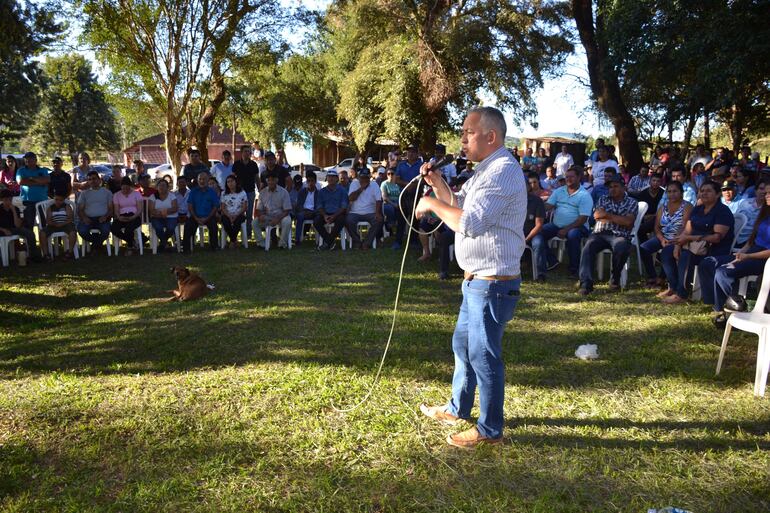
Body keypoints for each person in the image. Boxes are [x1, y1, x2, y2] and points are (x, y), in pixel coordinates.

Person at [416, 106, 525, 448]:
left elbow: (470, 223)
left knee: (483, 355)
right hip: (476, 281)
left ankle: (490, 430)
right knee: (463, 346)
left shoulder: (504, 170)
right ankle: (457, 407)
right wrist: (437, 185)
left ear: (490, 136)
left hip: (492, 284)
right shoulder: (485, 171)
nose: (462, 139)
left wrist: (431, 205)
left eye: (469, 133)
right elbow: (460, 205)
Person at [699, 189, 770, 328]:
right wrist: (740, 254)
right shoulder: (765, 214)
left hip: (763, 259)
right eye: (766, 192)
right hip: (751, 252)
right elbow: (751, 241)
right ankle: (716, 304)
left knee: (723, 272)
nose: (767, 195)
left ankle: (734, 309)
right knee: (708, 262)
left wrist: (747, 256)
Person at [662, 181, 734, 304]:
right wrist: (678, 245)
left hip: (714, 250)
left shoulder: (722, 211)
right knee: (667, 251)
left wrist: (691, 239)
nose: (704, 193)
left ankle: (682, 294)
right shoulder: (697, 209)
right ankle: (674, 287)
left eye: (708, 191)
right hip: (694, 246)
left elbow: (716, 238)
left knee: (686, 255)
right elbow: (687, 230)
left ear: (717, 195)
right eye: (702, 190)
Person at [577, 175, 638, 294]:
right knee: (588, 246)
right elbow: (597, 216)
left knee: (621, 247)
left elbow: (628, 222)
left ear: (624, 188)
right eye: (610, 187)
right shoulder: (603, 199)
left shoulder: (632, 202)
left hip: (620, 235)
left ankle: (615, 279)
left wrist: (608, 216)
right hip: (600, 233)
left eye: (616, 186)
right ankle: (586, 283)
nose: (612, 189)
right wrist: (619, 218)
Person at [541, 166, 593, 278]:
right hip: (557, 225)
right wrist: (536, 205)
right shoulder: (559, 191)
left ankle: (574, 269)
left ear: (579, 177)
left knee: (573, 235)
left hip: (578, 226)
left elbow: (583, 218)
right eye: (566, 177)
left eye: (571, 177)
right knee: (538, 232)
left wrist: (566, 229)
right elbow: (548, 206)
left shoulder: (584, 195)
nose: (568, 179)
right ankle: (552, 260)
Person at [640, 180, 692, 290]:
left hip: (679, 238)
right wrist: (661, 238)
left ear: (681, 192)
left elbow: (684, 227)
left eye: (675, 191)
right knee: (644, 248)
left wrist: (674, 240)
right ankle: (652, 276)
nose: (672, 194)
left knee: (666, 251)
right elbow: (657, 227)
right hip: (663, 237)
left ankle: (662, 278)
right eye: (669, 192)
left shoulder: (687, 206)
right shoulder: (663, 207)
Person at [346, 167, 383, 250]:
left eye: (366, 177)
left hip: (370, 212)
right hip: (355, 212)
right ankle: (357, 241)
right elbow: (350, 198)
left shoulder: (374, 184)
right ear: (359, 177)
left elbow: (378, 200)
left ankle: (367, 242)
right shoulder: (354, 183)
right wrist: (361, 188)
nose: (364, 179)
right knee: (348, 220)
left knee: (378, 220)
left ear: (369, 177)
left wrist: (377, 213)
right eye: (362, 177)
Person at [0, 189, 42, 262]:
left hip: (13, 229)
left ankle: (34, 255)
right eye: (6, 200)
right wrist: (4, 230)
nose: (8, 202)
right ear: (2, 200)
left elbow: (17, 225)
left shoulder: (15, 208)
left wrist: (13, 211)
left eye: (10, 199)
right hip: (2, 229)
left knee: (30, 233)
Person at [253, 173, 292, 248]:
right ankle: (261, 244)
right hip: (267, 217)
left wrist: (278, 219)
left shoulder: (284, 192)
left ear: (276, 180)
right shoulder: (262, 193)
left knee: (287, 221)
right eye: (269, 180)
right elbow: (259, 209)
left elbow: (287, 210)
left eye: (273, 180)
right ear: (266, 181)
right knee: (254, 222)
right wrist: (261, 215)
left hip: (281, 216)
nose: (271, 182)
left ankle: (282, 243)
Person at [183, 171, 219, 252]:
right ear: (197, 180)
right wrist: (196, 218)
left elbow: (215, 206)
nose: (202, 181)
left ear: (207, 180)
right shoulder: (193, 191)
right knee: (188, 226)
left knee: (214, 226)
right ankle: (186, 248)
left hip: (209, 216)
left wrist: (207, 218)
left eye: (204, 179)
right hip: (195, 216)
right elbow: (190, 206)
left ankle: (214, 247)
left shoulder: (211, 192)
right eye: (200, 179)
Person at [77, 171, 113, 251]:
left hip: (102, 218)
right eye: (89, 179)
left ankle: (95, 245)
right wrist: (84, 218)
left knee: (106, 231)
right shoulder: (84, 193)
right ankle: (97, 243)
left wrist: (105, 216)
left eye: (94, 178)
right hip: (88, 218)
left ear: (99, 180)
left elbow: (111, 209)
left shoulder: (107, 192)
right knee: (82, 231)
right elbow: (80, 209)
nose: (92, 181)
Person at [314, 170, 348, 250]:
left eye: (333, 176)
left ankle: (327, 243)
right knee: (316, 221)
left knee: (341, 220)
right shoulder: (322, 191)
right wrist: (325, 215)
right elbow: (319, 206)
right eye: (329, 176)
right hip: (325, 213)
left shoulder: (342, 191)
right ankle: (330, 242)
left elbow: (344, 207)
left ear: (337, 179)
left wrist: (334, 216)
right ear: (327, 178)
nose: (331, 178)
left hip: (338, 214)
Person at [16, 152, 50, 229]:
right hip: (27, 202)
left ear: (35, 160)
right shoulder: (21, 170)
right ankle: (30, 241)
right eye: (26, 160)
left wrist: (30, 179)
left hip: (42, 201)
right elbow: (21, 182)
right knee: (28, 224)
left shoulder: (43, 170)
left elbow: (47, 180)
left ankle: (44, 240)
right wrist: (39, 182)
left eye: (30, 159)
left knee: (44, 225)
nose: (28, 161)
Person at [111, 177, 144, 255]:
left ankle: (129, 247)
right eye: (123, 188)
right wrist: (119, 217)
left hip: (135, 216)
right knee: (114, 228)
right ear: (121, 187)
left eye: (127, 188)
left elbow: (140, 209)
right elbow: (116, 209)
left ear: (130, 186)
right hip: (122, 215)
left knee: (129, 229)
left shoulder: (136, 194)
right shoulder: (117, 195)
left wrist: (133, 217)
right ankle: (132, 241)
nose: (125, 190)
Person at [40, 192, 77, 260]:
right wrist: (54, 224)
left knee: (72, 232)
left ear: (63, 200)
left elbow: (71, 218)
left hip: (66, 224)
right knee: (42, 233)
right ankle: (46, 254)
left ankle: (70, 252)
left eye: (60, 200)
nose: (58, 201)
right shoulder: (50, 208)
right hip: (53, 225)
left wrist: (62, 224)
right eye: (56, 199)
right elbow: (48, 220)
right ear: (54, 199)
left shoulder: (67, 206)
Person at [232, 145, 258, 240]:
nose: (248, 153)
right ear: (241, 152)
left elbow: (257, 178)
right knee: (238, 212)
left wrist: (260, 189)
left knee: (249, 213)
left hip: (251, 191)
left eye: (249, 151)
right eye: (246, 151)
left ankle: (248, 233)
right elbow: (233, 177)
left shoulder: (254, 164)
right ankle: (238, 232)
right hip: (239, 192)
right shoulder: (236, 164)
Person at [630, 173, 665, 241]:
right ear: (650, 181)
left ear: (661, 183)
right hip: (644, 217)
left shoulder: (664, 193)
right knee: (639, 229)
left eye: (658, 181)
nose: (655, 183)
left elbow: (666, 209)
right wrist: (643, 217)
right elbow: (638, 208)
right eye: (654, 180)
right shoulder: (642, 193)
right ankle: (644, 247)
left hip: (659, 218)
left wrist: (653, 216)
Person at [524, 177, 547, 281]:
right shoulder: (511, 201)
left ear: (529, 187)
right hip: (515, 233)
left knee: (538, 243)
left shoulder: (537, 201)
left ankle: (540, 274)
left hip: (532, 233)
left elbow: (539, 225)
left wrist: (526, 239)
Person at [733, 180, 767, 246]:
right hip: (734, 236)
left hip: (752, 241)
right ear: (755, 191)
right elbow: (736, 220)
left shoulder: (767, 209)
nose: (764, 192)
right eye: (761, 189)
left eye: (766, 190)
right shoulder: (744, 203)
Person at [149, 178, 178, 252]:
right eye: (160, 185)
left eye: (164, 185)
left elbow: (175, 208)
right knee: (158, 227)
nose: (161, 187)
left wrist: (164, 212)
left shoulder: (172, 196)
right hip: (156, 217)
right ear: (157, 187)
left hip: (171, 216)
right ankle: (165, 244)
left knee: (171, 227)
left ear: (167, 187)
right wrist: (161, 214)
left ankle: (162, 243)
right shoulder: (153, 197)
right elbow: (151, 210)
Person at [219, 174, 247, 248]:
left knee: (237, 222)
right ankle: (234, 240)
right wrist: (229, 216)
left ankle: (232, 241)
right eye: (228, 182)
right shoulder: (224, 193)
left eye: (232, 181)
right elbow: (223, 207)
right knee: (225, 222)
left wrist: (236, 215)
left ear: (236, 182)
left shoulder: (242, 193)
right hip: (227, 214)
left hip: (239, 214)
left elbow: (244, 207)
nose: (230, 183)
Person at [294, 171, 319, 245]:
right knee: (300, 216)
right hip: (303, 212)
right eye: (309, 181)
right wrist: (304, 211)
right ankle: (297, 239)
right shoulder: (302, 192)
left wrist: (312, 212)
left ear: (315, 181)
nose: (310, 183)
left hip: (314, 212)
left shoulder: (318, 193)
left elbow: (319, 206)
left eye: (312, 181)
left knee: (319, 218)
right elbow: (298, 205)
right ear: (306, 182)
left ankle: (319, 240)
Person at [380, 167, 402, 247]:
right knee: (390, 208)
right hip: (388, 203)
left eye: (392, 173)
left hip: (398, 202)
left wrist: (398, 204)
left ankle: (390, 225)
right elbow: (384, 197)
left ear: (395, 175)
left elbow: (401, 195)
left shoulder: (397, 184)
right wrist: (394, 204)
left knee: (401, 210)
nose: (390, 175)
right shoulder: (384, 184)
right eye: (388, 174)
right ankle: (390, 224)